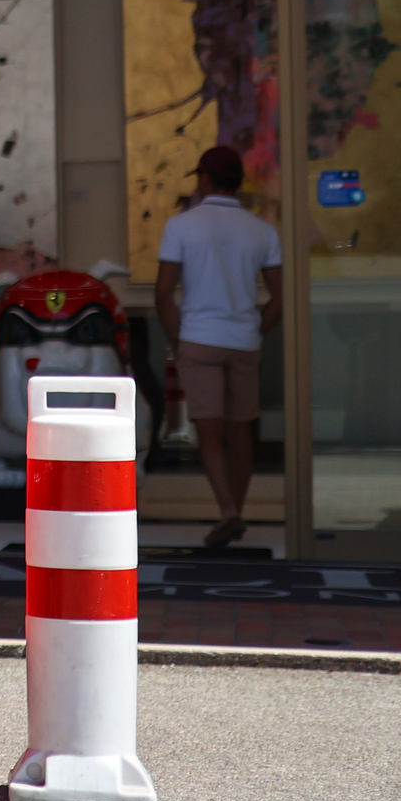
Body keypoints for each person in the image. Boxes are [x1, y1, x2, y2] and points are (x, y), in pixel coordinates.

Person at [156, 144, 282, 550]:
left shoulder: (182, 226)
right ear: (239, 183)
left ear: (205, 180)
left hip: (199, 338)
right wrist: (256, 330)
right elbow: (279, 297)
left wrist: (179, 338)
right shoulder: (263, 231)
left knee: (209, 430)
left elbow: (163, 292)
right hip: (244, 339)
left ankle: (228, 511)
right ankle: (236, 511)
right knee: (241, 429)